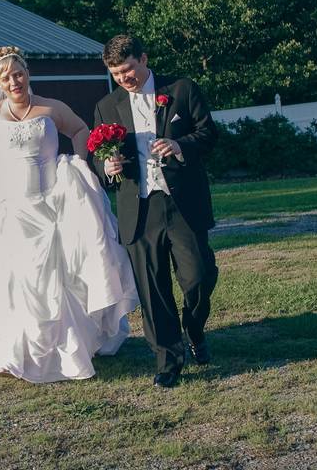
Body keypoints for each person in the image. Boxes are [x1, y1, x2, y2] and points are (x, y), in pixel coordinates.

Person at [0, 45, 139, 383]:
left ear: (27, 73)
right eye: (5, 78)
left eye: (17, 73)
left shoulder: (51, 107)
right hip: (10, 209)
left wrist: (78, 162)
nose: (13, 81)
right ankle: (18, 349)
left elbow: (80, 131)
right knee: (15, 280)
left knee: (66, 274)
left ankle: (72, 345)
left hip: (53, 201)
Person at [93, 34, 219, 389]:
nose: (124, 79)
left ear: (144, 59)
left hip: (182, 202)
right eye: (116, 73)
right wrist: (108, 168)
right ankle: (168, 359)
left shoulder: (182, 90)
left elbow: (208, 133)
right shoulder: (107, 105)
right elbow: (97, 155)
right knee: (152, 289)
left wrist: (180, 144)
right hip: (138, 207)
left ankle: (193, 329)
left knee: (199, 277)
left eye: (128, 69)